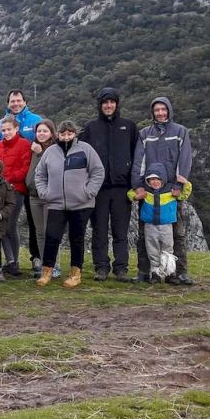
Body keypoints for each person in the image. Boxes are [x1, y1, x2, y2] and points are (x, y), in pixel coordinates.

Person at [132, 96, 195, 286]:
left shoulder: (180, 132)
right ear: (152, 113)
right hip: (149, 192)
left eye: (163, 109)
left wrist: (179, 185)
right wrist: (138, 186)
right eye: (157, 110)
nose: (160, 113)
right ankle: (145, 271)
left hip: (171, 193)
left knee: (177, 234)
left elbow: (185, 159)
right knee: (144, 233)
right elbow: (138, 161)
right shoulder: (145, 134)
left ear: (169, 110)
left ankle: (178, 272)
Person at [35, 120, 105, 289]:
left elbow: (98, 171)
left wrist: (88, 192)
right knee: (52, 237)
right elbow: (40, 175)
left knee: (76, 238)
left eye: (70, 133)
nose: (66, 137)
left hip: (81, 204)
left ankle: (75, 273)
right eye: (63, 133)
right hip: (56, 203)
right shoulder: (50, 152)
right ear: (57, 134)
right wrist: (45, 193)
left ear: (75, 134)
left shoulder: (86, 149)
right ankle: (47, 271)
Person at [80, 87, 139, 282]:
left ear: (117, 104)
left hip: (122, 188)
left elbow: (137, 156)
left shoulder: (129, 127)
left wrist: (135, 183)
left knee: (120, 230)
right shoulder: (90, 128)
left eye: (112, 102)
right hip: (99, 189)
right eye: (105, 102)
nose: (108, 105)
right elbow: (81, 155)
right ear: (100, 105)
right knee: (99, 230)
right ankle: (101, 267)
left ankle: (121, 268)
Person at [0, 115, 33, 276]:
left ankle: (14, 261)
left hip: (16, 190)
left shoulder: (24, 145)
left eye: (9, 129)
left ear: (17, 129)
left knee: (10, 225)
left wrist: (7, 179)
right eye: (4, 130)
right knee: (1, 226)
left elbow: (25, 168)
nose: (6, 132)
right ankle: (11, 262)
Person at [135, 164, 192, 282]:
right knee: (152, 249)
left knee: (167, 249)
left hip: (166, 225)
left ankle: (169, 273)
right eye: (152, 179)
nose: (155, 182)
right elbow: (131, 194)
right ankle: (155, 273)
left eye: (158, 179)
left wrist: (186, 183)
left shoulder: (171, 191)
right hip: (150, 226)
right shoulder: (146, 192)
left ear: (163, 179)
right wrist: (136, 196)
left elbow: (185, 194)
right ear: (148, 181)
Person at [25, 119, 57, 279]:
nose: (41, 134)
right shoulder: (33, 148)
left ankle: (53, 264)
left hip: (49, 196)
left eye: (45, 131)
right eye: (39, 131)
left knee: (49, 231)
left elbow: (52, 168)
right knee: (39, 233)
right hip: (33, 196)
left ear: (51, 132)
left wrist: (40, 153)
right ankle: (46, 265)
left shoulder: (55, 149)